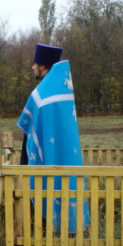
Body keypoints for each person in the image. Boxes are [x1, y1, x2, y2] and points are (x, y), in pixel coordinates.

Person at [17, 43, 89, 232]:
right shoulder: (63, 88)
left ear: (42, 65)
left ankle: (45, 232)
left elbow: (29, 123)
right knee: (66, 185)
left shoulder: (41, 93)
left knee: (46, 187)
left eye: (34, 64)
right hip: (66, 151)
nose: (32, 67)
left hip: (45, 152)